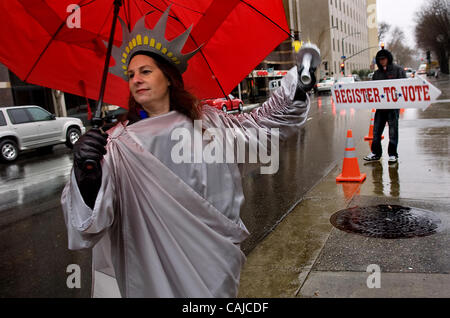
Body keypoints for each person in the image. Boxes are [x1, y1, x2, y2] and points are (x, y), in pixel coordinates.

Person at [61, 9, 316, 298]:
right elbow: (88, 225)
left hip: (211, 272)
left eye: (146, 71)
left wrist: (296, 89)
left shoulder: (209, 123)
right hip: (150, 277)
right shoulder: (117, 147)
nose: (136, 79)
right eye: (131, 74)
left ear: (168, 77)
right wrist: (86, 172)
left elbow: (262, 126)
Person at [364, 48, 406, 163]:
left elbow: (405, 86)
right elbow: (372, 90)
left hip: (393, 108)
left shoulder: (398, 70)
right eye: (380, 59)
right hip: (380, 108)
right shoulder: (377, 74)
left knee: (393, 132)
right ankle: (376, 153)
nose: (382, 61)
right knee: (376, 132)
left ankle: (392, 154)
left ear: (388, 59)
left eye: (384, 59)